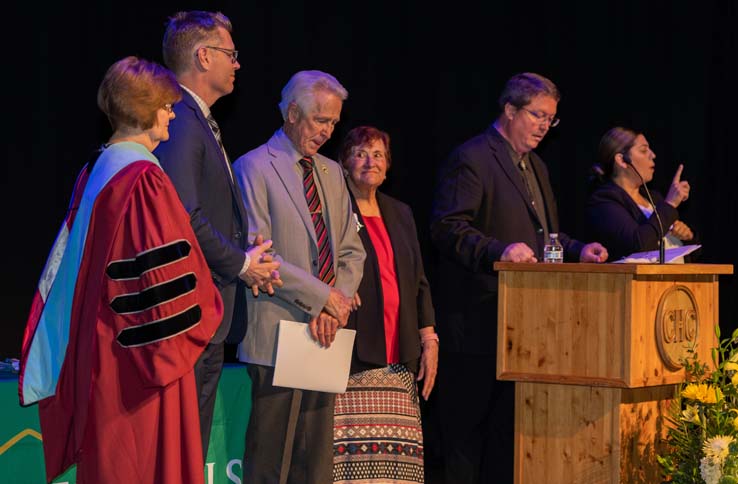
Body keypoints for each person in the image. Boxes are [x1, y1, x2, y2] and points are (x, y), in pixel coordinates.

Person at [19, 56, 222, 484]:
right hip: (143, 368)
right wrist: (207, 308)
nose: (171, 113)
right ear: (146, 110)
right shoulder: (143, 180)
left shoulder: (96, 169)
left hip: (101, 355)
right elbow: (165, 288)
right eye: (166, 105)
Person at [429, 72, 608, 483]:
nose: (545, 126)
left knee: (507, 440)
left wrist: (580, 250)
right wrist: (499, 251)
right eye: (538, 115)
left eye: (551, 119)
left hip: (523, 329)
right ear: (509, 110)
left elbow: (545, 234)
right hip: (476, 324)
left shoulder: (537, 166)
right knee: (464, 441)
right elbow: (447, 226)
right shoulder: (472, 158)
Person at [154, 10, 281, 457]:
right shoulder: (182, 121)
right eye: (231, 54)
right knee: (182, 445)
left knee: (192, 443)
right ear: (203, 57)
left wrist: (244, 254)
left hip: (205, 311)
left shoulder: (197, 118)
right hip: (190, 314)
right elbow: (183, 216)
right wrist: (243, 263)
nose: (238, 63)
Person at [232, 70, 366, 484]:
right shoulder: (253, 166)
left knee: (315, 462)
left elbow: (351, 249)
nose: (328, 132)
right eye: (320, 120)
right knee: (271, 462)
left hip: (325, 332)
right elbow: (262, 253)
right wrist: (324, 298)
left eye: (333, 123)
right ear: (292, 113)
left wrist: (335, 304)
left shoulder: (332, 171)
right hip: (276, 331)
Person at [333, 126, 439, 483]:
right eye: (361, 153)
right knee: (352, 467)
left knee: (397, 466)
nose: (370, 162)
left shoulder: (400, 212)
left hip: (400, 357)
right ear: (344, 162)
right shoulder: (334, 208)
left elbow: (419, 281)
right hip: (353, 358)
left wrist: (429, 339)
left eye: (378, 155)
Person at [585, 127, 695, 262]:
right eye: (643, 150)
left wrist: (686, 236)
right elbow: (638, 245)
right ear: (622, 160)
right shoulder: (604, 200)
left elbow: (693, 252)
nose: (653, 155)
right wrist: (670, 204)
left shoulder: (654, 197)